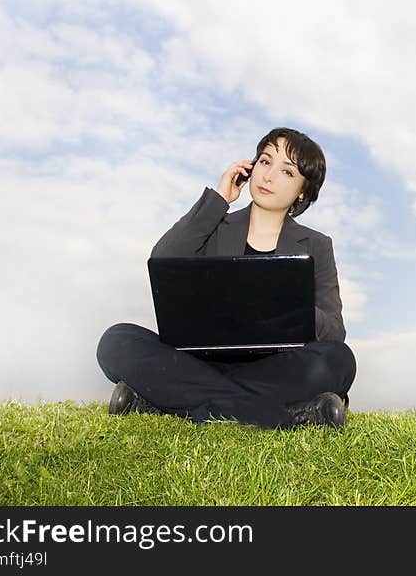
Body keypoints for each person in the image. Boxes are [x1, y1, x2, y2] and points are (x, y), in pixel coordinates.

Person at [96, 128, 356, 429]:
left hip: (275, 369)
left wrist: (291, 306)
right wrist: (219, 198)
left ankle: (164, 403)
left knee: (338, 360)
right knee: (116, 341)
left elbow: (335, 331)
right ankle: (283, 415)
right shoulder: (215, 225)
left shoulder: (317, 244)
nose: (268, 176)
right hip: (201, 362)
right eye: (265, 162)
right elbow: (163, 257)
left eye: (287, 171)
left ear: (303, 192)